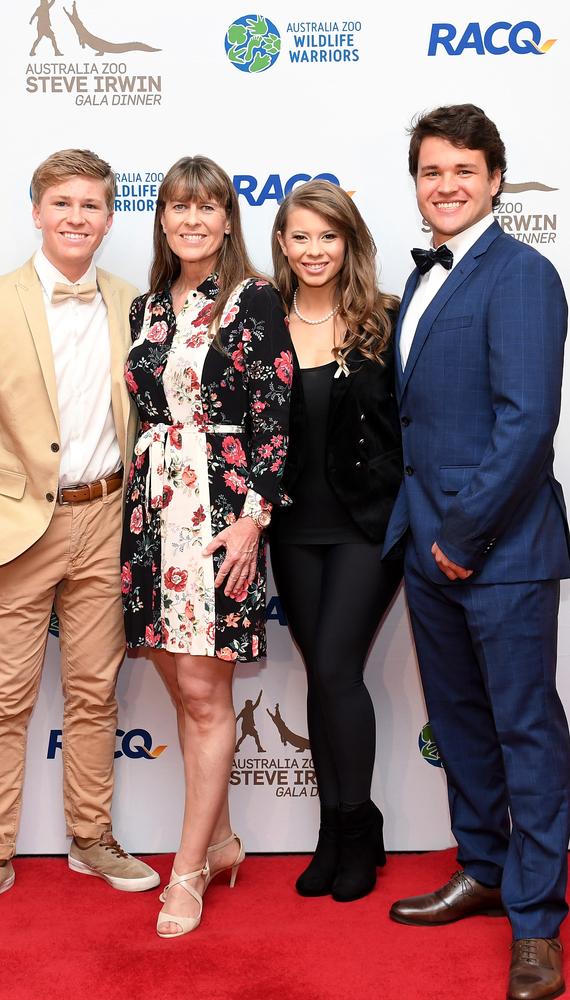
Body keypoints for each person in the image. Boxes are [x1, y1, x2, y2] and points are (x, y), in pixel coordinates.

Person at [0, 149, 159, 924]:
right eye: (62, 202)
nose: (76, 217)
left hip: (107, 520)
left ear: (109, 217)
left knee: (95, 693)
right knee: (5, 700)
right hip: (17, 528)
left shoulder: (134, 303)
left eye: (91, 204)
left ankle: (91, 838)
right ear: (36, 211)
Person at [383, 105, 570, 1000]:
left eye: (464, 169)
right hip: (429, 548)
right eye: (431, 171)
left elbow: (528, 425)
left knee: (526, 731)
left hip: (502, 551)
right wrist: (428, 540)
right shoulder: (420, 280)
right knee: (459, 727)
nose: (446, 185)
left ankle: (537, 922)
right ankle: (484, 869)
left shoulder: (523, 275)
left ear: (496, 178)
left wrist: (462, 537)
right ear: (415, 182)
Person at [121, 155, 293, 937]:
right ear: (162, 219)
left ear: (229, 218)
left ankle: (186, 870)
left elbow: (274, 414)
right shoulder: (148, 307)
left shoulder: (254, 299)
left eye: (207, 207)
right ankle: (222, 841)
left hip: (220, 512)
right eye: (177, 207)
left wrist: (254, 518)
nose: (192, 220)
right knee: (175, 676)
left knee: (204, 690)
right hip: (153, 512)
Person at [269, 180, 403, 902]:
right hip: (291, 529)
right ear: (283, 246)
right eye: (302, 237)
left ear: (348, 242)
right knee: (322, 675)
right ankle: (335, 827)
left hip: (367, 528)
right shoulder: (263, 325)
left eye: (329, 236)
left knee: (339, 669)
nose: (315, 250)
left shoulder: (385, 321)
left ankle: (355, 828)